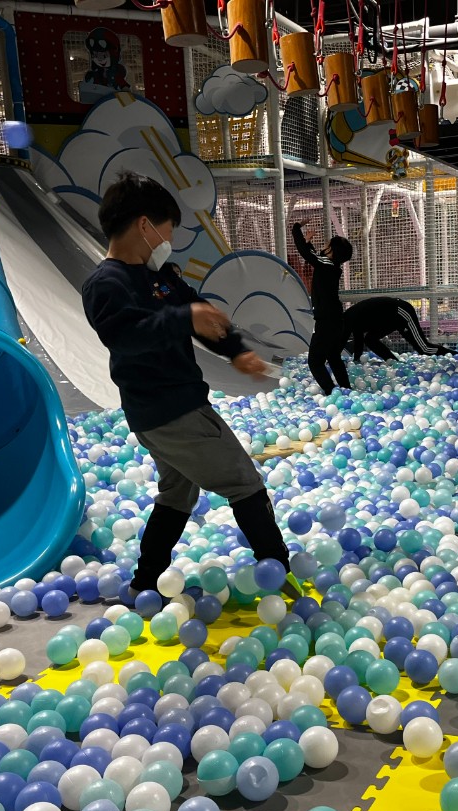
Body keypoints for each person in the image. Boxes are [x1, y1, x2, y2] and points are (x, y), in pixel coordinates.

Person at [82, 172, 300, 599]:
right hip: (170, 409)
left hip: (164, 410)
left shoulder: (160, 276)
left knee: (177, 492)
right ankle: (280, 575)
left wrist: (236, 350)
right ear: (145, 225)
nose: (169, 240)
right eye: (168, 230)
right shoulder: (106, 284)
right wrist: (185, 318)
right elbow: (127, 336)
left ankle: (145, 582)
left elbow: (202, 315)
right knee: (244, 482)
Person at [292, 221, 353, 395]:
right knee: (333, 357)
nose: (324, 246)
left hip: (327, 320)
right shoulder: (331, 266)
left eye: (327, 244)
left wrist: (296, 229)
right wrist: (308, 241)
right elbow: (314, 256)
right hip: (335, 319)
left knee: (315, 362)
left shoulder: (326, 264)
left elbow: (307, 254)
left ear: (331, 250)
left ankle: (332, 392)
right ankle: (346, 390)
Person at [344, 297, 454, 362]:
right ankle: (393, 362)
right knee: (370, 339)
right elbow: (358, 340)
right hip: (387, 319)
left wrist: (356, 360)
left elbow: (358, 341)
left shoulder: (349, 320)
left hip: (400, 311)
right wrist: (356, 360)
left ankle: (454, 355)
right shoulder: (348, 320)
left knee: (423, 348)